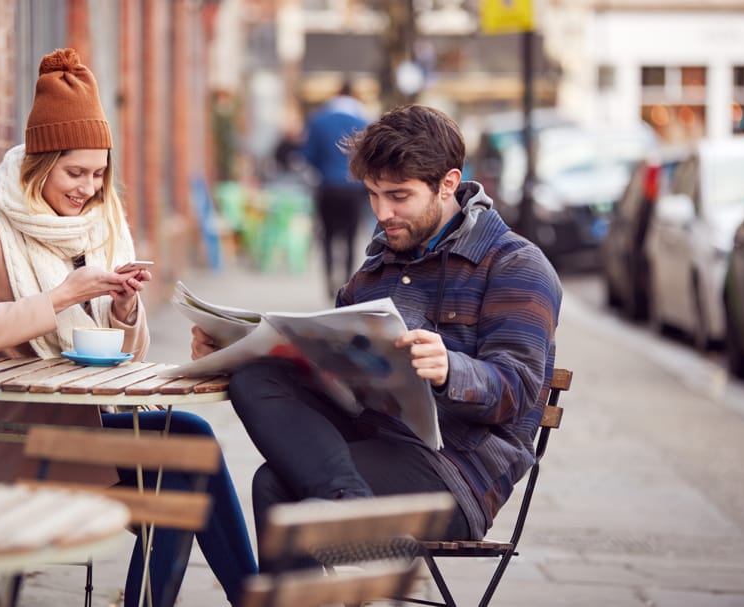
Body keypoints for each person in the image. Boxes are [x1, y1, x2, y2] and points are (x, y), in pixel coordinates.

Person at [0, 48, 256, 606]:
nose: (89, 188)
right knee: (179, 478)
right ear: (40, 162)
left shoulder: (97, 227)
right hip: (24, 433)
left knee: (194, 445)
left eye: (99, 174)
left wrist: (125, 310)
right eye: (75, 172)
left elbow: (126, 355)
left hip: (94, 419)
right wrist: (61, 296)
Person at [190, 104, 562, 566]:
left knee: (275, 486)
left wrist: (452, 369)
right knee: (257, 375)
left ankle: (340, 511)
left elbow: (521, 391)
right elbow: (331, 361)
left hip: (457, 471)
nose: (382, 212)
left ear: (448, 183)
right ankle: (348, 504)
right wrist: (236, 348)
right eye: (372, 194)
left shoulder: (515, 265)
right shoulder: (379, 266)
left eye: (399, 196)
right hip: (374, 438)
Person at [301, 80, 371, 298]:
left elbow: (307, 155)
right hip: (354, 189)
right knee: (351, 237)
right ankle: (348, 282)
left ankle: (330, 281)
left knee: (328, 236)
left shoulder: (318, 120)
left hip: (327, 187)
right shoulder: (364, 120)